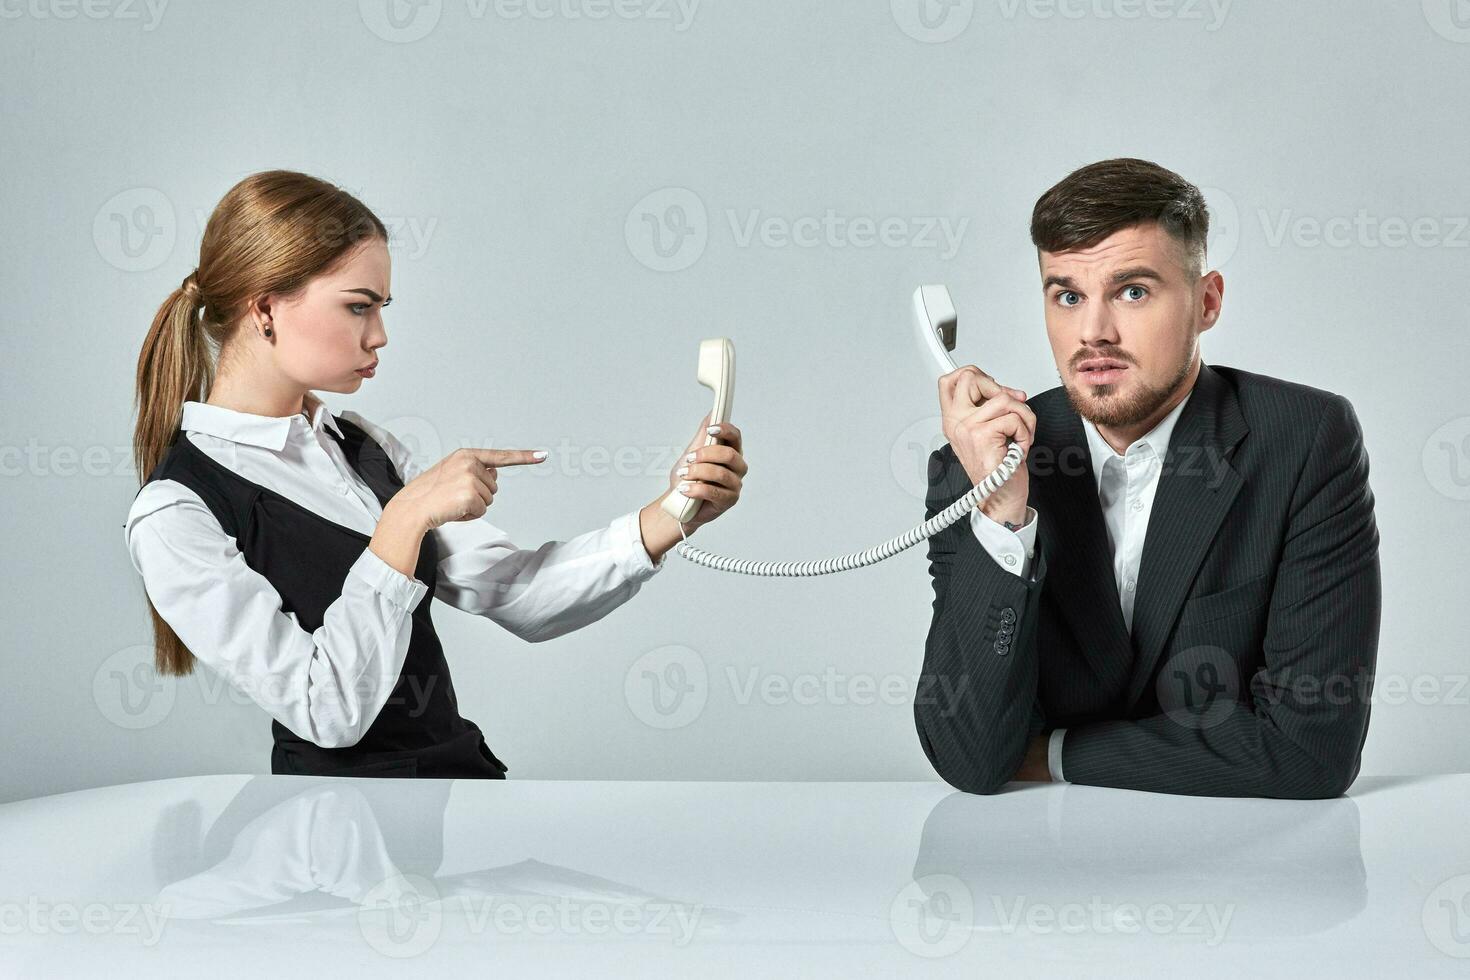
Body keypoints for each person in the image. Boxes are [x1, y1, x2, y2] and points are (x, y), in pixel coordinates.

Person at [125, 169, 746, 778]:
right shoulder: (177, 512)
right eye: (358, 307)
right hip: (337, 838)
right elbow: (328, 710)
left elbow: (518, 594)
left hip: (455, 795)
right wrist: (403, 522)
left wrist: (674, 511)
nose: (380, 335)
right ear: (265, 310)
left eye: (382, 307)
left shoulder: (364, 447)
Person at [917, 157, 1380, 798]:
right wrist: (1001, 517)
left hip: (1246, 872)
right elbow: (970, 756)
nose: (1093, 333)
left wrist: (1054, 754)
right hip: (1036, 877)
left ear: (1207, 301)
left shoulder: (1305, 441)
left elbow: (1308, 751)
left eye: (1132, 291)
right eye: (1067, 296)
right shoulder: (980, 464)